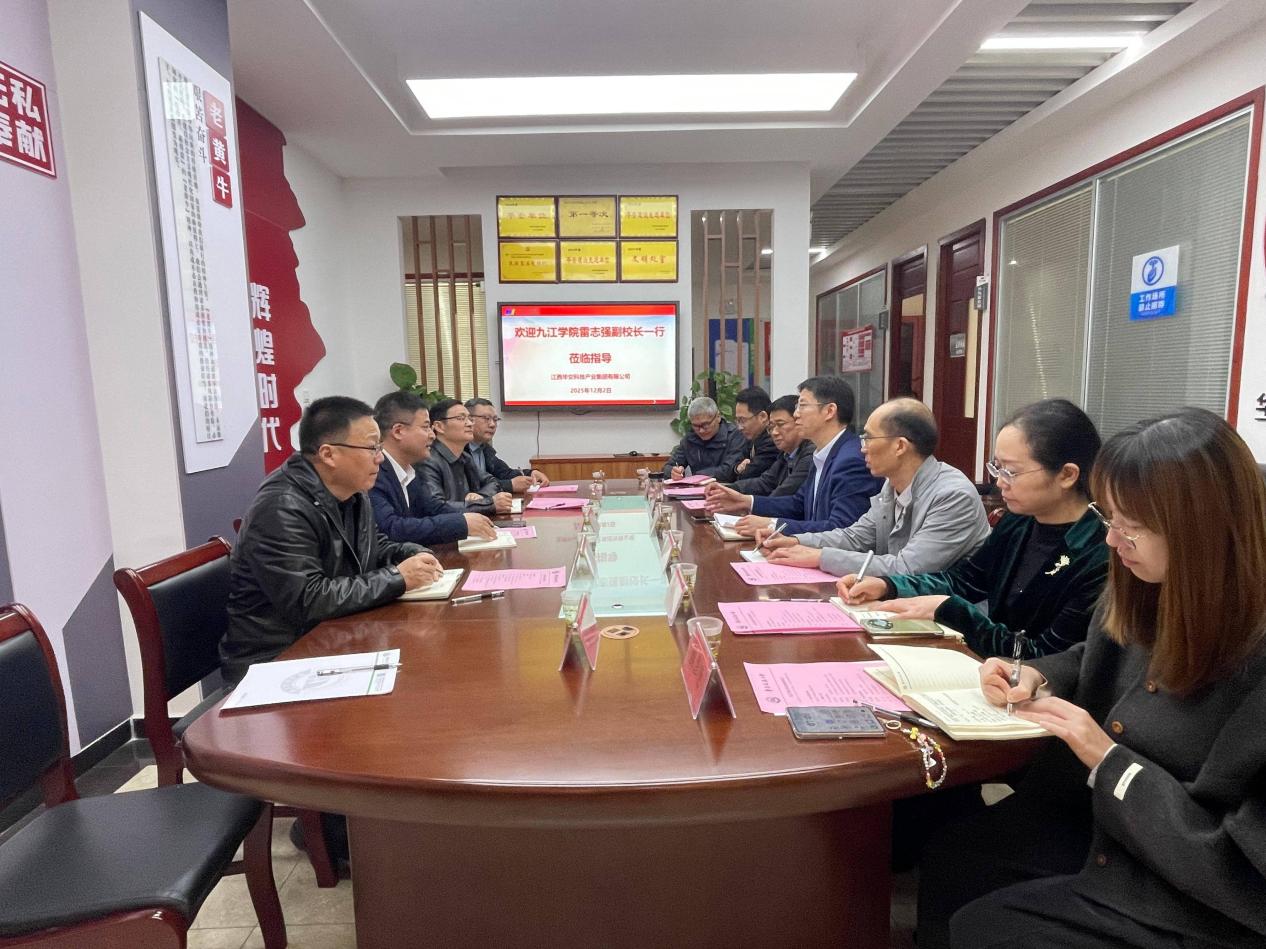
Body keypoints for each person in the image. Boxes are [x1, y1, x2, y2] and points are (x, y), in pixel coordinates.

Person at [918, 407, 1266, 949]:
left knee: (985, 924)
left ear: (1203, 530)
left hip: (1192, 891)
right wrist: (1036, 675)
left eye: (1133, 527)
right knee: (954, 855)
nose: (1112, 540)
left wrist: (1109, 760)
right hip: (1103, 826)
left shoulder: (1249, 646)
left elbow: (1241, 870)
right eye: (1109, 519)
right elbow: (1094, 654)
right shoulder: (1147, 583)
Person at [840, 397, 1106, 660]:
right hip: (991, 668)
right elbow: (965, 581)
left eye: (1011, 472)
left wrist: (951, 611)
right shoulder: (1019, 522)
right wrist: (887, 585)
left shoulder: (1099, 552)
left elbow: (1044, 656)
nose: (999, 483)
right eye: (997, 468)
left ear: (1067, 475)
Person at [219, 396, 444, 684]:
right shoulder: (282, 506)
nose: (379, 457)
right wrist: (398, 578)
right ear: (328, 454)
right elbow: (308, 599)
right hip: (279, 659)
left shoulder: (353, 490)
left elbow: (374, 546)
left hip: (332, 637)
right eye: (372, 448)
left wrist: (412, 553)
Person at [759, 398, 990, 576]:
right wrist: (796, 541)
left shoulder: (953, 495)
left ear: (900, 446)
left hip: (950, 616)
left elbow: (907, 568)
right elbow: (855, 537)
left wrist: (820, 557)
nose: (862, 448)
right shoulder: (891, 485)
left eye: (868, 438)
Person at [704, 375, 883, 535]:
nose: (796, 414)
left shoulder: (851, 460)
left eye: (802, 406)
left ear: (829, 411)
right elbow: (799, 504)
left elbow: (841, 531)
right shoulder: (822, 453)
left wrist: (771, 525)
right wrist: (746, 502)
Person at [370, 391, 498, 546]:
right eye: (426, 427)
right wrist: (461, 523)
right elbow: (391, 529)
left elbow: (432, 510)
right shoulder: (374, 473)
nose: (432, 435)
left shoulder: (409, 472)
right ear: (398, 431)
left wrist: (471, 517)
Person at [418, 398, 513, 515]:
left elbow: (492, 482)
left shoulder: (464, 457)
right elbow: (436, 507)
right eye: (461, 418)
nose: (469, 424)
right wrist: (488, 504)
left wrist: (480, 496)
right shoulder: (427, 461)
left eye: (469, 419)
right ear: (439, 426)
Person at [729, 394, 814, 498]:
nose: (774, 432)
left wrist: (748, 503)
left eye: (780, 424)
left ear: (799, 422)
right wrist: (728, 489)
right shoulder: (785, 455)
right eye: (771, 427)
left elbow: (784, 494)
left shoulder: (810, 455)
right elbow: (765, 482)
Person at [465, 397, 550, 492]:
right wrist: (510, 485)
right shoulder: (460, 451)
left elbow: (504, 473)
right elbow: (472, 486)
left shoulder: (484, 449)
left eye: (495, 419)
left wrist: (531, 473)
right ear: (469, 420)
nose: (492, 424)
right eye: (486, 419)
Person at [663, 396, 747, 480]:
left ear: (718, 417)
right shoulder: (690, 439)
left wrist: (697, 476)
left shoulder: (735, 436)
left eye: (705, 425)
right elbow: (668, 467)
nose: (701, 430)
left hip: (727, 486)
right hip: (697, 486)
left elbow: (730, 470)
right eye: (696, 426)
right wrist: (672, 472)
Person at [718, 387, 780, 484]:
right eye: (737, 421)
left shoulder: (772, 442)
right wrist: (737, 469)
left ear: (763, 416)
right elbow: (728, 469)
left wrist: (739, 471)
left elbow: (748, 475)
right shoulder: (752, 437)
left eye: (742, 420)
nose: (739, 427)